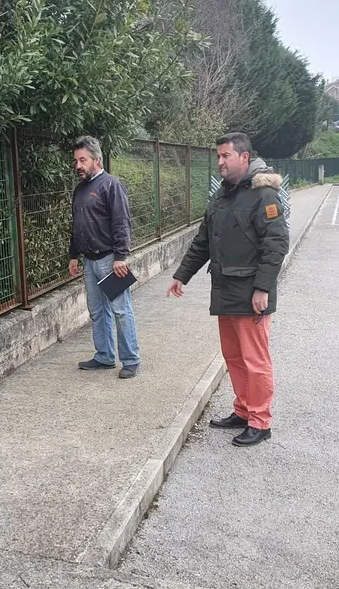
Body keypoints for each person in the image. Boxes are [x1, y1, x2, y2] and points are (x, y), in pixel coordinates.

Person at [167, 132, 288, 447]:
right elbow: (203, 241)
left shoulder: (265, 195)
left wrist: (263, 288)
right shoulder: (221, 195)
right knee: (234, 356)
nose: (219, 162)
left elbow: (276, 244)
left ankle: (260, 421)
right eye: (218, 156)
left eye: (225, 156)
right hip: (225, 291)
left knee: (255, 360)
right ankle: (244, 409)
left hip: (251, 295)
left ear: (244, 157)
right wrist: (182, 275)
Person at [67, 135, 141, 379]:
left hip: (111, 260)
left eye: (83, 160)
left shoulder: (111, 185)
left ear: (97, 159)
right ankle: (104, 356)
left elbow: (122, 222)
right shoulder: (80, 189)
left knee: (121, 310)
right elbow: (77, 224)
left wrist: (121, 255)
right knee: (97, 311)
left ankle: (130, 360)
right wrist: (74, 255)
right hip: (89, 260)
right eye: (76, 160)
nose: (78, 165)